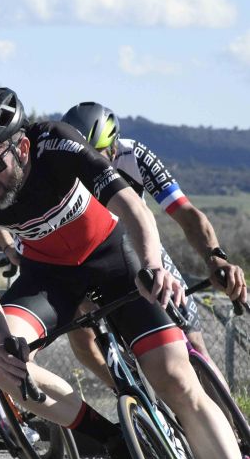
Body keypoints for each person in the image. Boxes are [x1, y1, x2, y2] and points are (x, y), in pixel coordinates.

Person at [0, 87, 249, 459]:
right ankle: (114, 439)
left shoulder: (57, 143)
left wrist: (152, 265)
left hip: (114, 260)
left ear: (21, 147)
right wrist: (3, 341)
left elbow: (133, 207)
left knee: (176, 378)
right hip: (49, 279)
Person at [60, 101, 243, 389]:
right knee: (82, 337)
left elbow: (187, 214)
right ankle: (132, 399)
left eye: (97, 157)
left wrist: (215, 257)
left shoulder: (133, 155)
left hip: (138, 247)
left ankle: (228, 416)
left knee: (194, 345)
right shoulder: (59, 168)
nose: (90, 167)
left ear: (113, 148)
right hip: (90, 258)